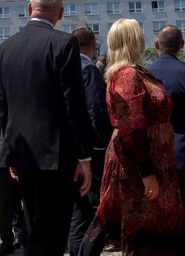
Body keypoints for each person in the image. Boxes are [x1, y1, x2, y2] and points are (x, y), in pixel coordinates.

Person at [0, 0, 93, 256]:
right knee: (52, 230)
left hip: (21, 153)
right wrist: (84, 156)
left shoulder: (6, 48)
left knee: (34, 223)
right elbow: (74, 105)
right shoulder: (64, 43)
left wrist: (9, 153)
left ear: (29, 9)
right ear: (60, 13)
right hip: (56, 156)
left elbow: (3, 107)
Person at [79, 18, 184, 256]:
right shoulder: (127, 75)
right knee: (134, 231)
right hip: (137, 168)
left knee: (141, 231)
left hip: (148, 163)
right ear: (132, 40)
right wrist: (146, 172)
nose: (144, 39)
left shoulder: (134, 72)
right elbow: (131, 127)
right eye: (139, 34)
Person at [147, 25, 185, 256]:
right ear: (182, 46)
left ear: (156, 46)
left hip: (154, 159)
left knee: (160, 222)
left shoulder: (145, 75)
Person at [68, 27, 112, 256]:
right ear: (93, 47)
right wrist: (104, 146)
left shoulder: (62, 69)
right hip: (91, 157)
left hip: (69, 155)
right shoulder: (89, 71)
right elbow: (96, 113)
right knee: (91, 216)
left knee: (78, 215)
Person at [0, 112, 26, 256]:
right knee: (6, 203)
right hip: (4, 158)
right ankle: (6, 241)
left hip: (29, 157)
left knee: (29, 202)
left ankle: (27, 238)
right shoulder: (6, 91)